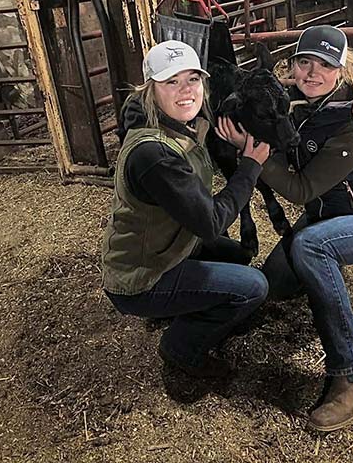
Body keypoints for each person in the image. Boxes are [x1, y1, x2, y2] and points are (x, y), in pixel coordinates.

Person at [217, 25, 353, 431]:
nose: (311, 73)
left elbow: (301, 189)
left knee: (311, 249)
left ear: (341, 69)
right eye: (303, 62)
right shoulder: (295, 99)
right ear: (293, 65)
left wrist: (252, 155)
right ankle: (316, 274)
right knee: (275, 283)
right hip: (322, 217)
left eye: (324, 64)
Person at [102, 39, 270, 379]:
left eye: (193, 79)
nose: (186, 91)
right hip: (141, 277)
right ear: (151, 89)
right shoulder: (154, 153)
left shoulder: (183, 127)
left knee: (239, 256)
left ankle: (186, 304)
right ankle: (180, 347)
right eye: (171, 82)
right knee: (254, 286)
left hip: (171, 246)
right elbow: (210, 221)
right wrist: (250, 166)